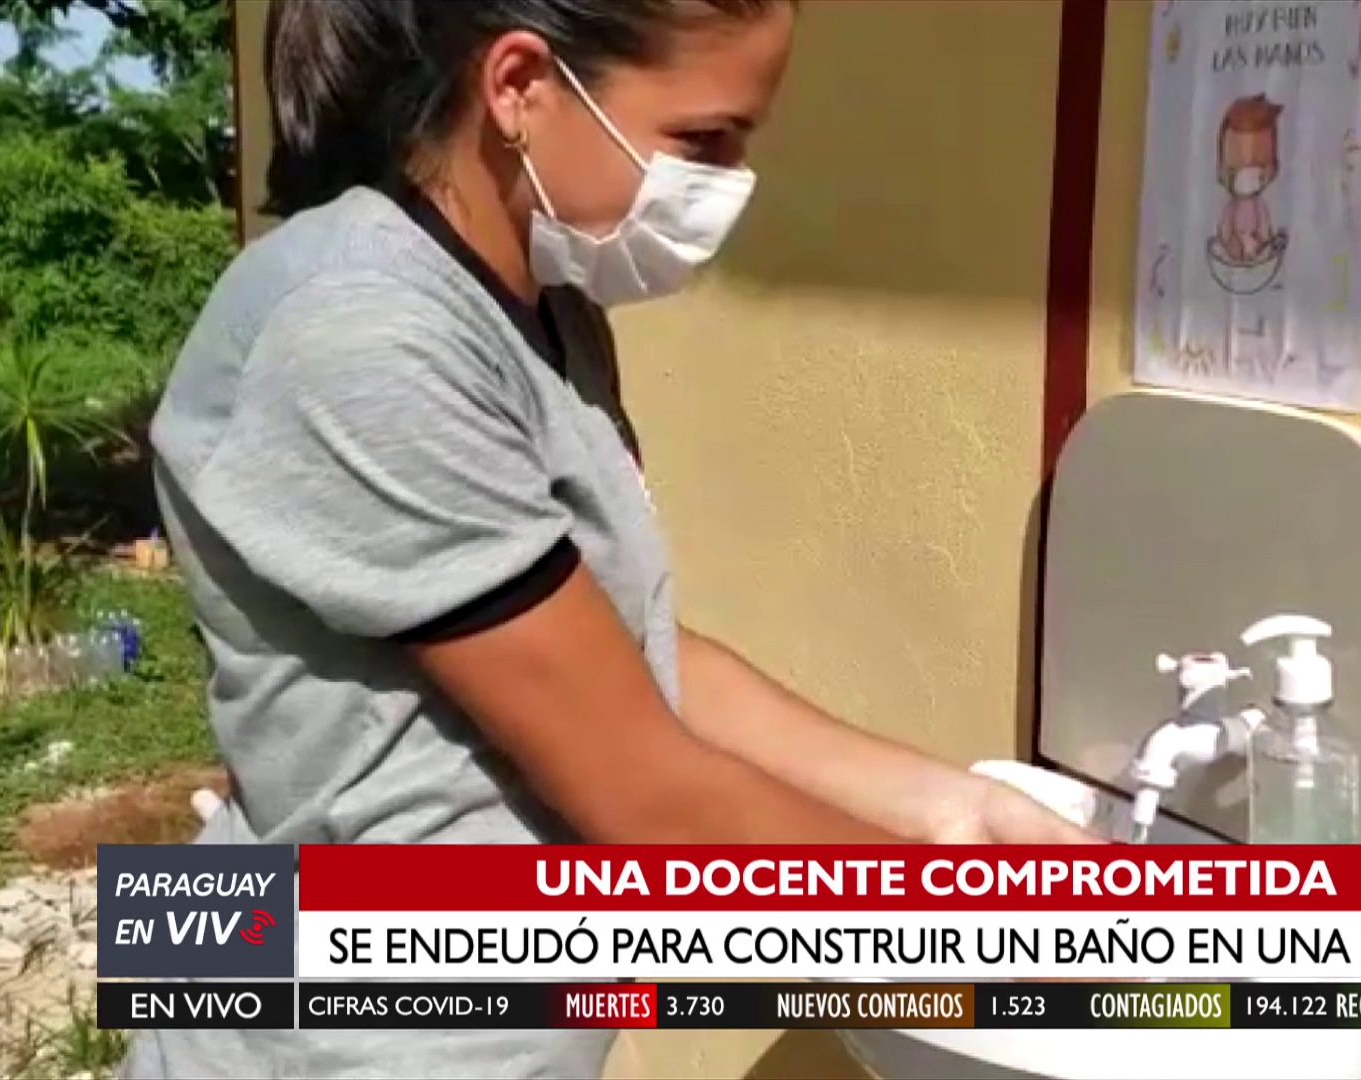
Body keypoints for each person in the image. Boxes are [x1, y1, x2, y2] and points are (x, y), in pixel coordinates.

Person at [122, 2, 1095, 1076]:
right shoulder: (361, 326)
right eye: (704, 141)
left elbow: (630, 658)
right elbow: (649, 800)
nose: (729, 185)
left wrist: (948, 805)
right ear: (519, 88)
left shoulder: (548, 314)